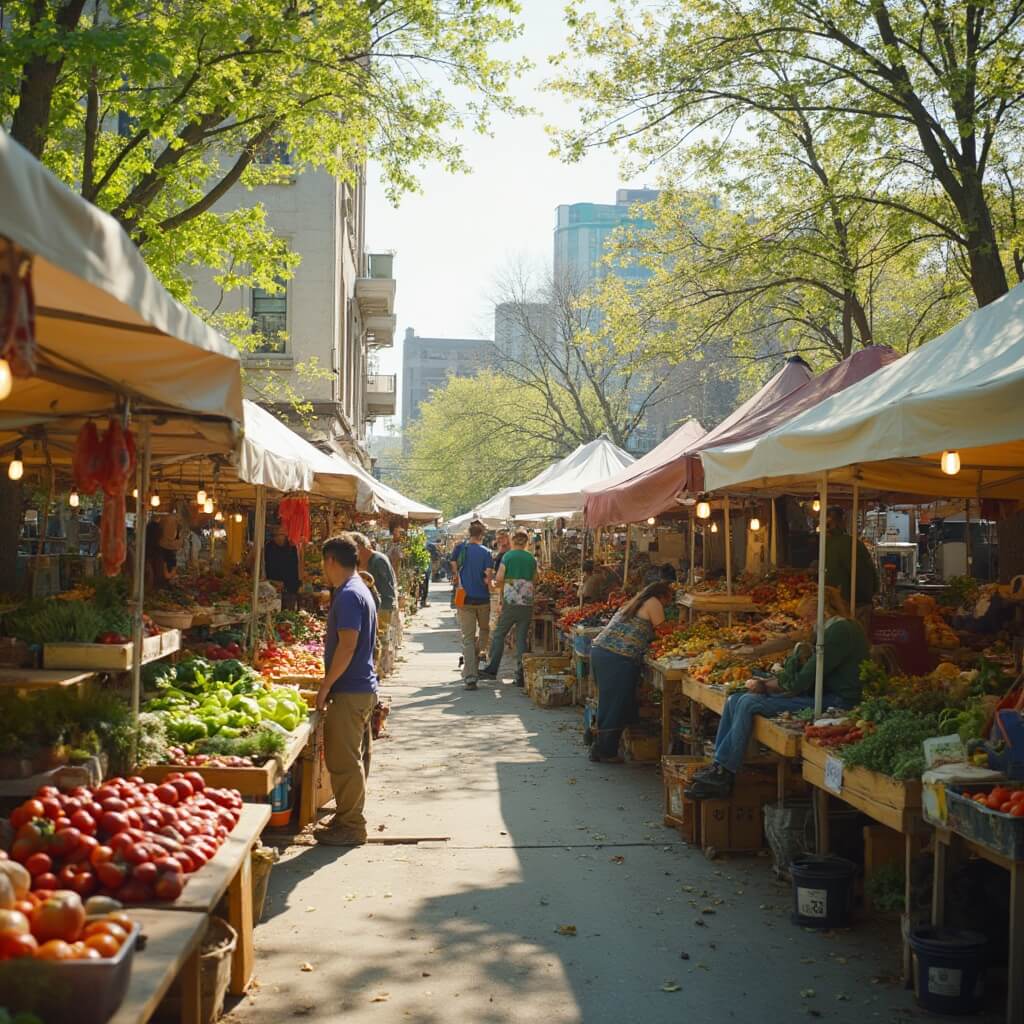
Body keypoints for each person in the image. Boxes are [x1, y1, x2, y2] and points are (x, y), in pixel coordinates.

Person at [685, 587, 869, 800]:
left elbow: (802, 680)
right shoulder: (833, 629)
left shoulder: (839, 631)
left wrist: (766, 686)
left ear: (823, 612)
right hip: (820, 693)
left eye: (808, 617)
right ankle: (718, 765)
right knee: (734, 699)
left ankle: (725, 773)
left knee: (747, 702)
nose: (806, 623)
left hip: (837, 701)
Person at [315, 534, 378, 847]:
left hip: (350, 689)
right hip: (359, 686)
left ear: (330, 560)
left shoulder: (350, 594)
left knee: (344, 761)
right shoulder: (357, 589)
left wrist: (326, 685)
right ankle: (346, 818)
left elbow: (348, 645)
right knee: (351, 757)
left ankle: (351, 825)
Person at [588, 582, 675, 763]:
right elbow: (664, 632)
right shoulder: (653, 602)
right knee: (615, 704)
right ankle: (605, 751)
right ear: (662, 595)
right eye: (669, 598)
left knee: (611, 702)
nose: (669, 603)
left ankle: (600, 744)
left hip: (603, 653)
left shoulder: (635, 603)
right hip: (616, 657)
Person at [480, 529, 537, 687]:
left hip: (510, 602)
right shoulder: (531, 558)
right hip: (526, 603)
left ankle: (492, 669)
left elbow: (499, 578)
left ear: (513, 541)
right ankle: (521, 675)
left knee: (499, 634)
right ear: (527, 542)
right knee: (521, 639)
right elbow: (535, 579)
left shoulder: (508, 556)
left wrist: (495, 585)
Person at [450, 521, 492, 690]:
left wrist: (457, 576)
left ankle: (470, 677)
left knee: (467, 638)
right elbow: (488, 577)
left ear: (470, 533)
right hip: (483, 599)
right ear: (482, 535)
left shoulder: (461, 548)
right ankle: (475, 658)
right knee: (484, 630)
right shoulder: (486, 552)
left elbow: (453, 564)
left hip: (464, 598)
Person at [352, 533, 397, 675]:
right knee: (378, 639)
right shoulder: (370, 560)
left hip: (382, 607)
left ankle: (380, 671)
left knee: (381, 639)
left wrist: (379, 609)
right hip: (378, 606)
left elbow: (385, 589)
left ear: (360, 547)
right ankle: (379, 670)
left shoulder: (377, 561)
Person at [824, 506, 879, 608]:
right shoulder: (852, 543)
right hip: (850, 601)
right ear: (842, 521)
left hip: (829, 599)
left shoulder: (823, 543)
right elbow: (866, 573)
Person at [264, 523, 301, 610]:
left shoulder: (292, 547)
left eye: (281, 534)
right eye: (276, 535)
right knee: (273, 610)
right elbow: (266, 564)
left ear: (285, 535)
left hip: (290, 586)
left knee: (288, 611)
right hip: (273, 586)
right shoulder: (268, 547)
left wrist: (289, 584)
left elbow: (295, 568)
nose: (279, 538)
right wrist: (272, 581)